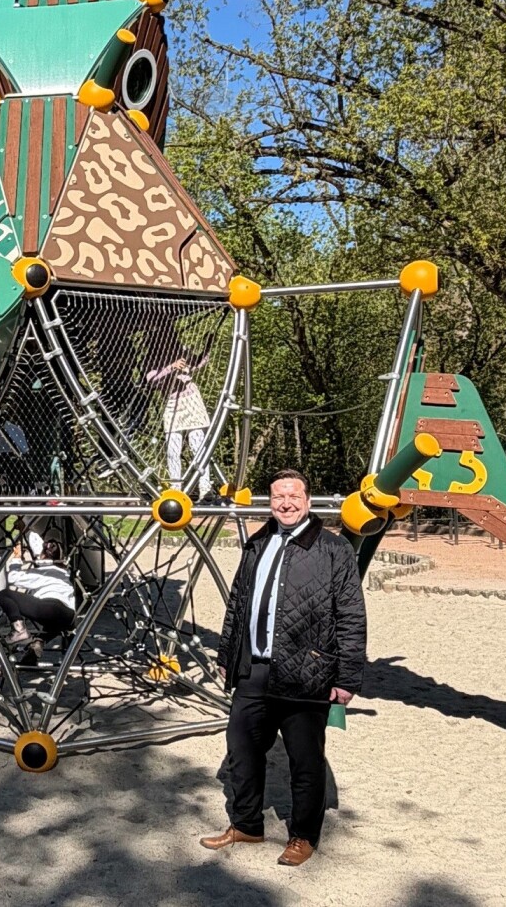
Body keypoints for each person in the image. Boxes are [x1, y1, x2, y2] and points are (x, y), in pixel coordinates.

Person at [199, 469, 367, 867]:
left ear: (307, 501)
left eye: (293, 496)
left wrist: (346, 678)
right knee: (242, 751)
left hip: (307, 672)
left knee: (305, 761)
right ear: (269, 502)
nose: (285, 503)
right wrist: (227, 655)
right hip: (253, 669)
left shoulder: (333, 549)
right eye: (278, 497)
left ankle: (303, 836)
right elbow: (237, 604)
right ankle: (246, 825)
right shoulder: (258, 543)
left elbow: (351, 615)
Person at [0, 538, 77, 663]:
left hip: (48, 607)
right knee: (53, 624)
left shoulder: (41, 572)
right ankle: (38, 642)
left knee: (4, 594)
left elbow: (13, 578)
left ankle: (19, 629)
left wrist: (17, 557)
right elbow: (38, 545)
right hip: (68, 615)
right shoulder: (64, 573)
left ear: (43, 556)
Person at [145, 350, 211, 490]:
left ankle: (205, 487)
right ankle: (176, 486)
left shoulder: (180, 354)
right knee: (172, 451)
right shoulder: (151, 361)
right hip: (172, 404)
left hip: (192, 402)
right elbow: (151, 379)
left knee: (197, 447)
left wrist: (207, 348)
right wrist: (172, 367)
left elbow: (199, 363)